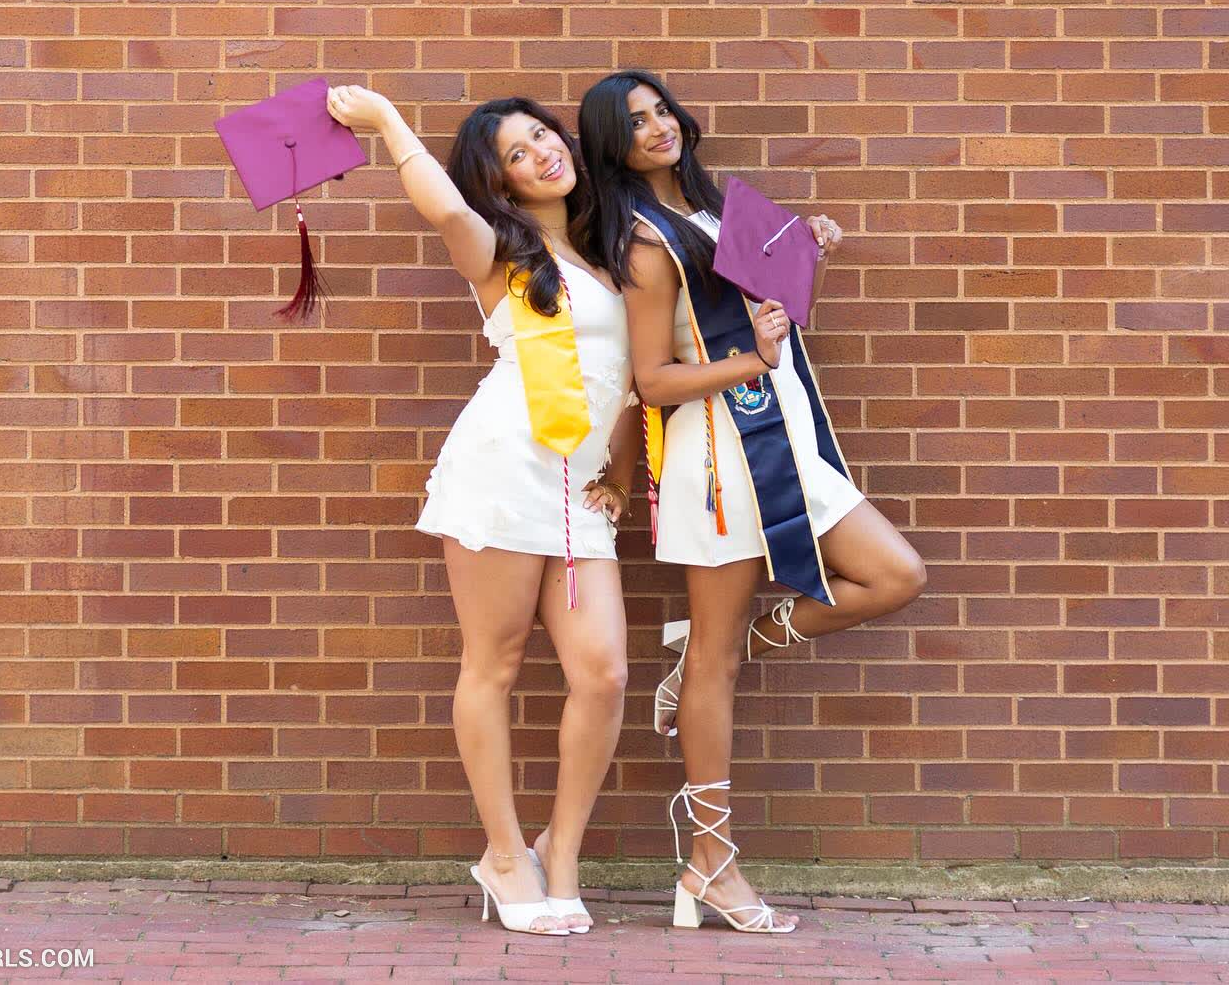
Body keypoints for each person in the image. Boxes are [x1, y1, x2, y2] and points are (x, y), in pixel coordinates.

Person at [576, 69, 926, 937]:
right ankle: (711, 864)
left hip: (788, 439)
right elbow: (654, 379)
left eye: (661, 110)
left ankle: (713, 646)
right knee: (717, 669)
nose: (657, 127)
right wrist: (752, 361)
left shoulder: (718, 211)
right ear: (613, 146)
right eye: (634, 122)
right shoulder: (645, 244)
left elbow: (775, 316)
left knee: (895, 576)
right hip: (718, 460)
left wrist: (807, 255)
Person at [326, 85, 640, 937]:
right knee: (492, 667)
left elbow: (630, 382)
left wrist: (618, 470)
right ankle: (505, 855)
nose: (542, 152)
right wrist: (387, 122)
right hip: (503, 474)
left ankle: (561, 850)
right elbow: (441, 207)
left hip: (578, 495)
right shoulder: (501, 254)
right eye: (516, 153)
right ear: (500, 183)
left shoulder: (608, 252)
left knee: (603, 674)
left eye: (543, 135)